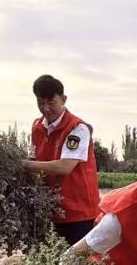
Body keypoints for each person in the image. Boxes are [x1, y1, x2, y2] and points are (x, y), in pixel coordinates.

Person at [24, 74, 100, 247]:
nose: (46, 108)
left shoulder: (77, 128)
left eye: (51, 103)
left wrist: (22, 165)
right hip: (50, 211)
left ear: (63, 99)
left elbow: (65, 167)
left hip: (79, 213)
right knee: (50, 264)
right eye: (40, 102)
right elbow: (36, 159)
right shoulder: (37, 127)